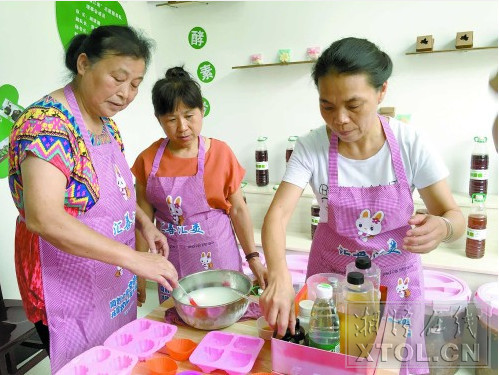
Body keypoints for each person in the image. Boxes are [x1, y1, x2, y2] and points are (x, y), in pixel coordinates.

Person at [259, 37, 465, 374]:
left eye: (354, 105)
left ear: (382, 91)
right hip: (332, 282)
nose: (339, 119)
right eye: (327, 105)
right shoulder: (312, 146)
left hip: (396, 284)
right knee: (330, 359)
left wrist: (443, 228)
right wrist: (279, 275)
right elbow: (277, 216)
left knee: (392, 365)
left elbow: (455, 217)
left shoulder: (410, 143)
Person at [8, 25, 178, 373]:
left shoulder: (106, 124)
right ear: (84, 64)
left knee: (118, 360)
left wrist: (144, 225)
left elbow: (118, 189)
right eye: (118, 78)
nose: (126, 94)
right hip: (62, 280)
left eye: (135, 84)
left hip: (109, 275)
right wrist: (134, 259)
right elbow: (44, 218)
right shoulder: (46, 124)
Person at [131, 66, 267, 304]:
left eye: (189, 116)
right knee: (179, 321)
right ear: (159, 120)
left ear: (202, 111)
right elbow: (142, 222)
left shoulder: (221, 153)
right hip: (172, 265)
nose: (182, 127)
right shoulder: (147, 160)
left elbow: (238, 210)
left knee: (224, 318)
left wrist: (253, 258)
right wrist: (139, 274)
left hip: (219, 259)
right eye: (171, 119)